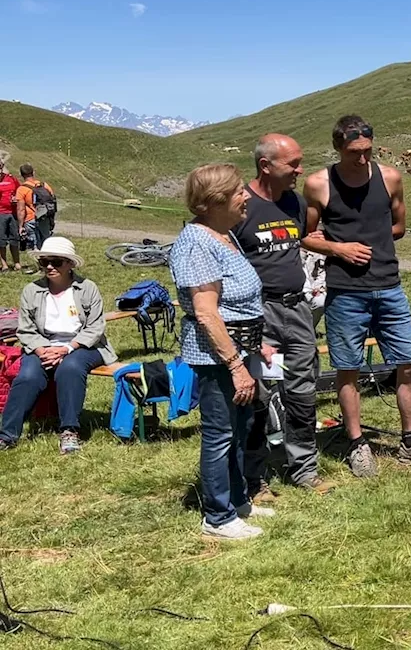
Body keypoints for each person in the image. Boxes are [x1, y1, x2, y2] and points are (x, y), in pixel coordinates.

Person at [302, 115, 411, 478]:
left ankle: (410, 438)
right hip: (345, 292)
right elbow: (306, 235)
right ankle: (357, 444)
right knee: (347, 368)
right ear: (339, 148)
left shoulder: (389, 177)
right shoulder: (318, 184)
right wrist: (340, 250)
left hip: (388, 285)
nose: (362, 159)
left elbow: (400, 225)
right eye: (355, 152)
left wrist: (375, 242)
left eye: (368, 151)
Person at [171, 163, 274, 541]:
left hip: (241, 348)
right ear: (214, 202)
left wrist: (254, 343)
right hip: (216, 357)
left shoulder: (223, 235)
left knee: (241, 426)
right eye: (238, 192)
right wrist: (235, 364)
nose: (246, 196)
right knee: (220, 433)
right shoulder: (198, 243)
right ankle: (217, 515)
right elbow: (207, 312)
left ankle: (237, 500)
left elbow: (236, 302)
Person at [233, 134, 334, 498]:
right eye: (292, 164)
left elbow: (304, 239)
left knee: (304, 392)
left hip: (297, 309)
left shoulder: (293, 201)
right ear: (266, 165)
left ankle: (304, 469)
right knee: (257, 396)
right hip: (256, 312)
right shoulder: (240, 205)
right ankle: (253, 478)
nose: (300, 170)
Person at [0, 237, 116, 453]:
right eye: (45, 262)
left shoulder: (87, 288)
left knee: (70, 368)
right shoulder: (31, 290)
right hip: (42, 345)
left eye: (56, 262)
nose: (50, 267)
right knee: (28, 376)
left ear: (70, 263)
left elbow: (95, 327)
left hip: (83, 345)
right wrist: (41, 349)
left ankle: (69, 430)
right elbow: (25, 329)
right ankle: (7, 435)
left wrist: (67, 348)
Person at [15, 164, 56, 256]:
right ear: (33, 172)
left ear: (21, 174)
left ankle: (41, 266)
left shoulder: (22, 189)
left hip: (30, 219)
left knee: (35, 245)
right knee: (46, 241)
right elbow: (52, 201)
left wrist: (20, 226)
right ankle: (49, 262)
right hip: (44, 218)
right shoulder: (44, 185)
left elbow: (21, 209)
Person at [0, 159, 22, 272]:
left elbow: (19, 190)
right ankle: (4, 265)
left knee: (14, 238)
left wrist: (15, 198)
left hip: (12, 213)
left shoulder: (11, 178)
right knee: (1, 241)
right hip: (0, 213)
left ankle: (17, 263)